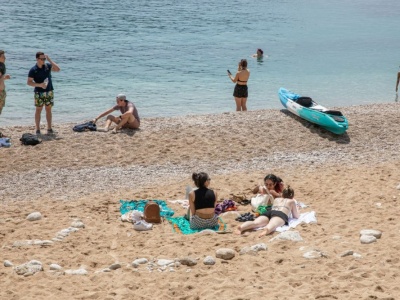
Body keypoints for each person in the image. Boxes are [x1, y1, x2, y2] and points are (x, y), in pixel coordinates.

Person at [235, 185, 299, 236]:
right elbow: (296, 216)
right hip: (280, 214)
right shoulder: (291, 201)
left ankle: (241, 227)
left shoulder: (277, 199)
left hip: (270, 212)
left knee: (255, 223)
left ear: (282, 194)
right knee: (273, 224)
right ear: (292, 196)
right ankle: (266, 230)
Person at [27, 52, 60, 135]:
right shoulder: (33, 70)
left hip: (49, 91)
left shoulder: (47, 66)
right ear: (37, 59)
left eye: (44, 59)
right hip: (39, 92)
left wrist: (50, 60)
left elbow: (57, 69)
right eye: (42, 59)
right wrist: (39, 85)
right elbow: (29, 82)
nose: (43, 60)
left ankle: (49, 128)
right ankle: (38, 129)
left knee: (48, 109)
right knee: (38, 110)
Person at [0, 50, 11, 138]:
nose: (5, 58)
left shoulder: (2, 66)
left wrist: (4, 78)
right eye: (3, 56)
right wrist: (4, 77)